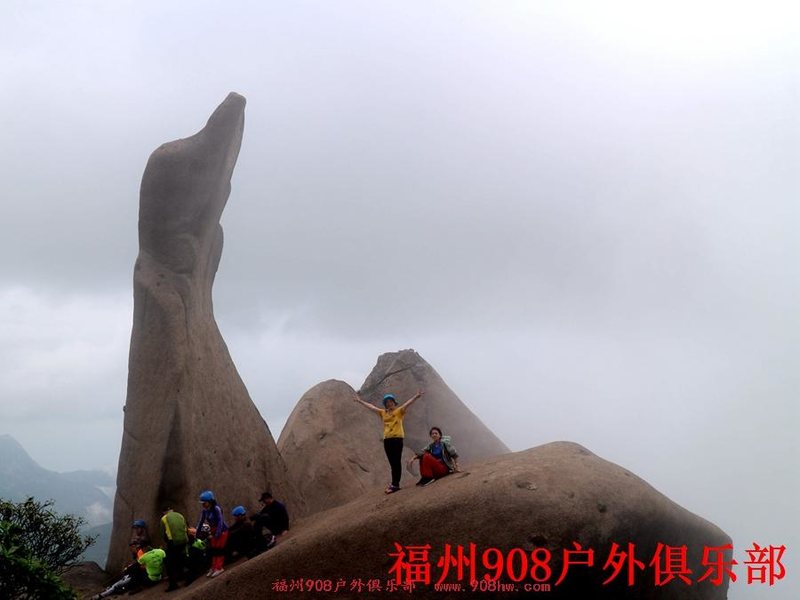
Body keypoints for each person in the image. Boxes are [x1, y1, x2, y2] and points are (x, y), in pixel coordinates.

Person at [353, 389, 425, 494]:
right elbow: (372, 407)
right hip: (387, 439)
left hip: (397, 438)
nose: (389, 403)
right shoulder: (383, 413)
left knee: (396, 461)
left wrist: (416, 396)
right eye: (387, 402)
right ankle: (394, 483)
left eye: (390, 401)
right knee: (392, 463)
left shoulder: (399, 411)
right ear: (385, 404)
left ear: (394, 402)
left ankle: (395, 484)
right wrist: (360, 401)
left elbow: (407, 404)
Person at [196, 490, 228, 578]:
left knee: (219, 549)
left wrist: (218, 533)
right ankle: (214, 567)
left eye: (204, 502)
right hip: (214, 532)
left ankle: (219, 567)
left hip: (222, 531)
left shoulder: (216, 509)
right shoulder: (205, 511)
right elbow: (201, 522)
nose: (203, 504)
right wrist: (197, 533)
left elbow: (220, 521)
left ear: (210, 501)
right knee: (214, 550)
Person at [160, 505, 188, 591]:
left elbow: (163, 534)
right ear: (172, 509)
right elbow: (185, 528)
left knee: (167, 561)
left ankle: (173, 584)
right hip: (184, 541)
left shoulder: (164, 518)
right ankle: (183, 576)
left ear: (164, 512)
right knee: (180, 558)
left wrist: (168, 542)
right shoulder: (180, 515)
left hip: (173, 542)